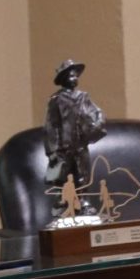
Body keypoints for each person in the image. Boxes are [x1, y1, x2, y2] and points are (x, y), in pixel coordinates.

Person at [44, 59, 106, 218]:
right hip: (64, 146)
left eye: (76, 76)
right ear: (64, 79)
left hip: (80, 143)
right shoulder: (56, 100)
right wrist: (52, 151)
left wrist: (98, 123)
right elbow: (51, 125)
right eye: (71, 76)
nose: (74, 79)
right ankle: (62, 202)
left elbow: (96, 112)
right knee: (63, 175)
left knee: (83, 173)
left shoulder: (83, 97)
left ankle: (84, 201)